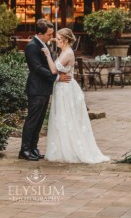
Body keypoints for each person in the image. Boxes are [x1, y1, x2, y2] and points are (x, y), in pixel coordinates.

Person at [42, 28, 110, 164]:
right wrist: (53, 40)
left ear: (66, 40)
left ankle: (71, 149)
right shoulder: (65, 51)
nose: (57, 41)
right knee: (62, 118)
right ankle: (62, 148)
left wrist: (48, 55)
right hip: (62, 87)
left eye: (59, 39)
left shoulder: (67, 53)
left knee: (67, 118)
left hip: (66, 89)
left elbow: (54, 70)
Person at [19, 19, 71, 161]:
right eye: (49, 34)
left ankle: (33, 148)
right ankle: (24, 150)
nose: (52, 37)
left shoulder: (43, 43)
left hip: (44, 89)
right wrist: (56, 78)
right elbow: (37, 68)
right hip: (36, 89)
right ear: (40, 34)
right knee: (32, 120)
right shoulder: (32, 46)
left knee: (39, 121)